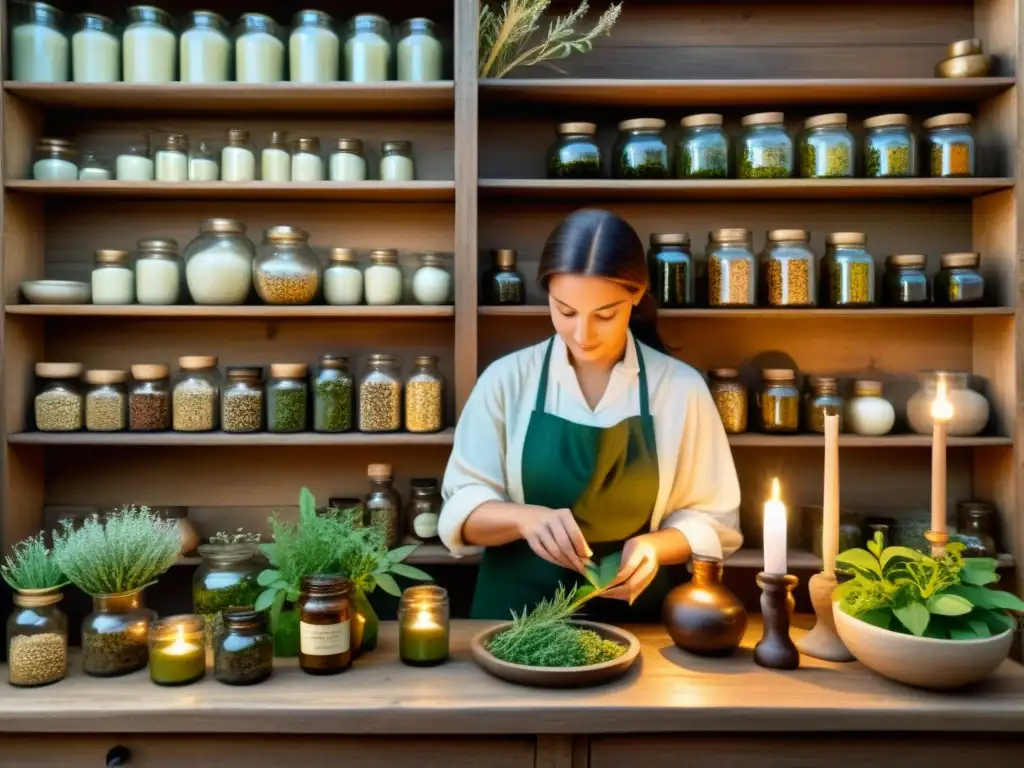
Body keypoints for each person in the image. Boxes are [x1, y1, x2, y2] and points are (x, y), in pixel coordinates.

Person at [440, 208, 742, 621]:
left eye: (605, 314)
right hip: (512, 619)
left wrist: (657, 546)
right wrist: (525, 519)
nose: (583, 335)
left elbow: (715, 520)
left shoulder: (680, 389)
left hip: (638, 624)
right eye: (565, 312)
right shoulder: (507, 380)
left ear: (636, 296)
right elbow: (461, 510)